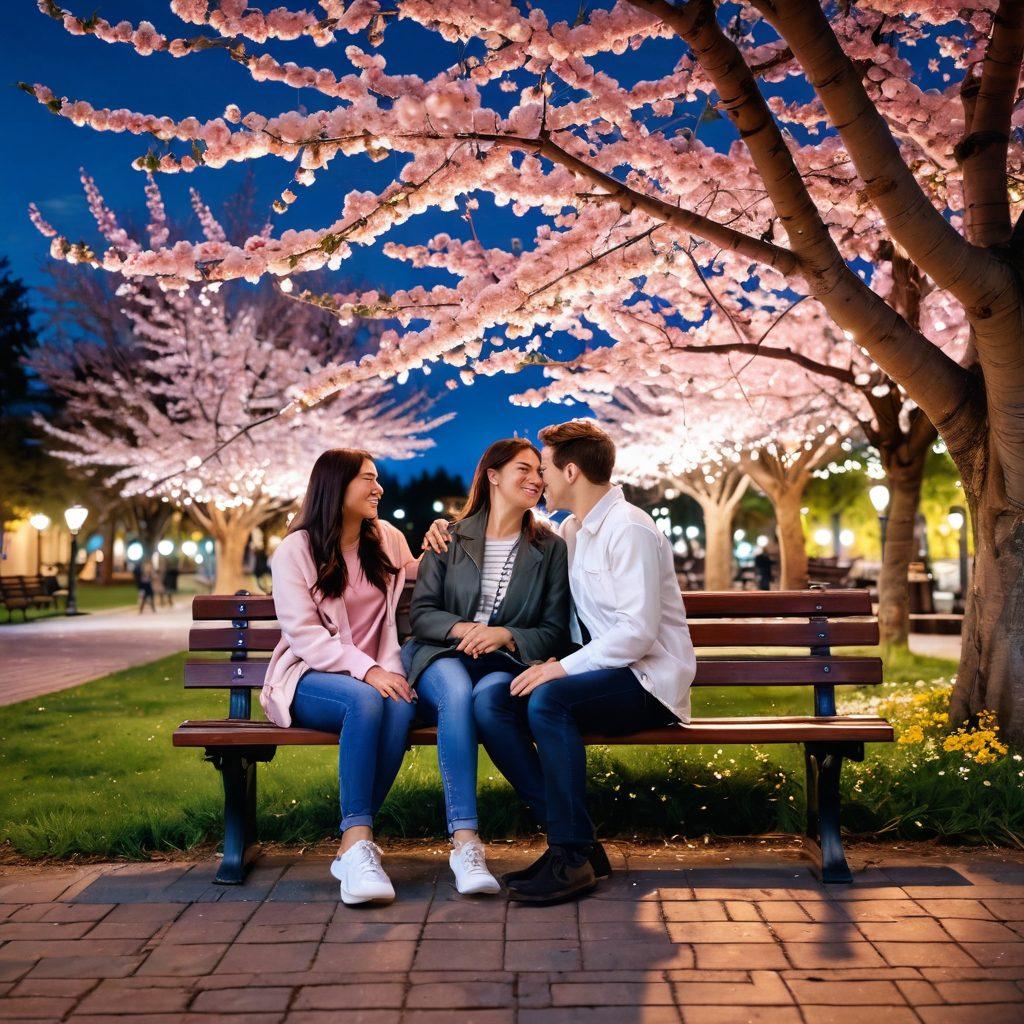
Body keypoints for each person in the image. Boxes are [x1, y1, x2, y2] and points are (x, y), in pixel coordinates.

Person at [424, 420, 696, 904]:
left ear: (570, 472)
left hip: (647, 680)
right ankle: (581, 845)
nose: (539, 479)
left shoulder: (629, 529)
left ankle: (569, 855)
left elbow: (637, 633)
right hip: (607, 672)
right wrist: (443, 531)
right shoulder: (573, 530)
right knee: (495, 704)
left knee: (549, 701)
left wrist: (558, 668)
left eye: (545, 468)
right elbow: (503, 538)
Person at [406, 439, 572, 895]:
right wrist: (464, 628)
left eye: (539, 471)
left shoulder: (550, 549)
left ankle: (565, 830)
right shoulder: (449, 537)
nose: (536, 479)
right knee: (458, 693)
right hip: (442, 656)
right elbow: (422, 615)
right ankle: (465, 842)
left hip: (505, 661)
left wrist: (505, 635)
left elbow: (554, 630)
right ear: (493, 475)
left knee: (487, 700)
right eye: (523, 468)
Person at [261, 448, 420, 906]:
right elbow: (306, 637)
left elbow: (423, 575)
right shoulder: (296, 550)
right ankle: (358, 842)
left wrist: (442, 536)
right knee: (364, 700)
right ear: (336, 485)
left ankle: (354, 843)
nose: (379, 488)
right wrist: (367, 670)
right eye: (368, 479)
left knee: (398, 705)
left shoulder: (386, 539)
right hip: (310, 677)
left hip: (378, 677)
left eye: (377, 478)